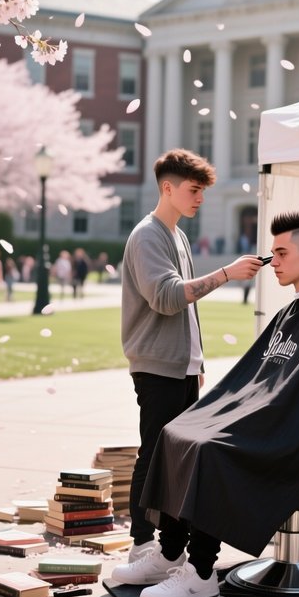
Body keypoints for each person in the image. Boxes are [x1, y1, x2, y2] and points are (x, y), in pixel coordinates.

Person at [112, 211, 299, 597]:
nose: (274, 262)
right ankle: (169, 554)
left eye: (282, 253)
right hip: (272, 419)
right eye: (273, 253)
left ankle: (201, 576)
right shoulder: (292, 312)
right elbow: (257, 383)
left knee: (209, 449)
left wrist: (244, 420)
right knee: (176, 432)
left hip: (296, 432)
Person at [120, 148, 263, 568]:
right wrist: (226, 273)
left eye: (202, 191)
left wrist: (195, 363)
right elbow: (166, 298)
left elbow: (186, 306)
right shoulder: (147, 235)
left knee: (175, 458)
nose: (200, 198)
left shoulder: (178, 235)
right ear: (168, 188)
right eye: (194, 190)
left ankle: (167, 547)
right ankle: (142, 542)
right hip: (155, 366)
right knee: (154, 455)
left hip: (180, 367)